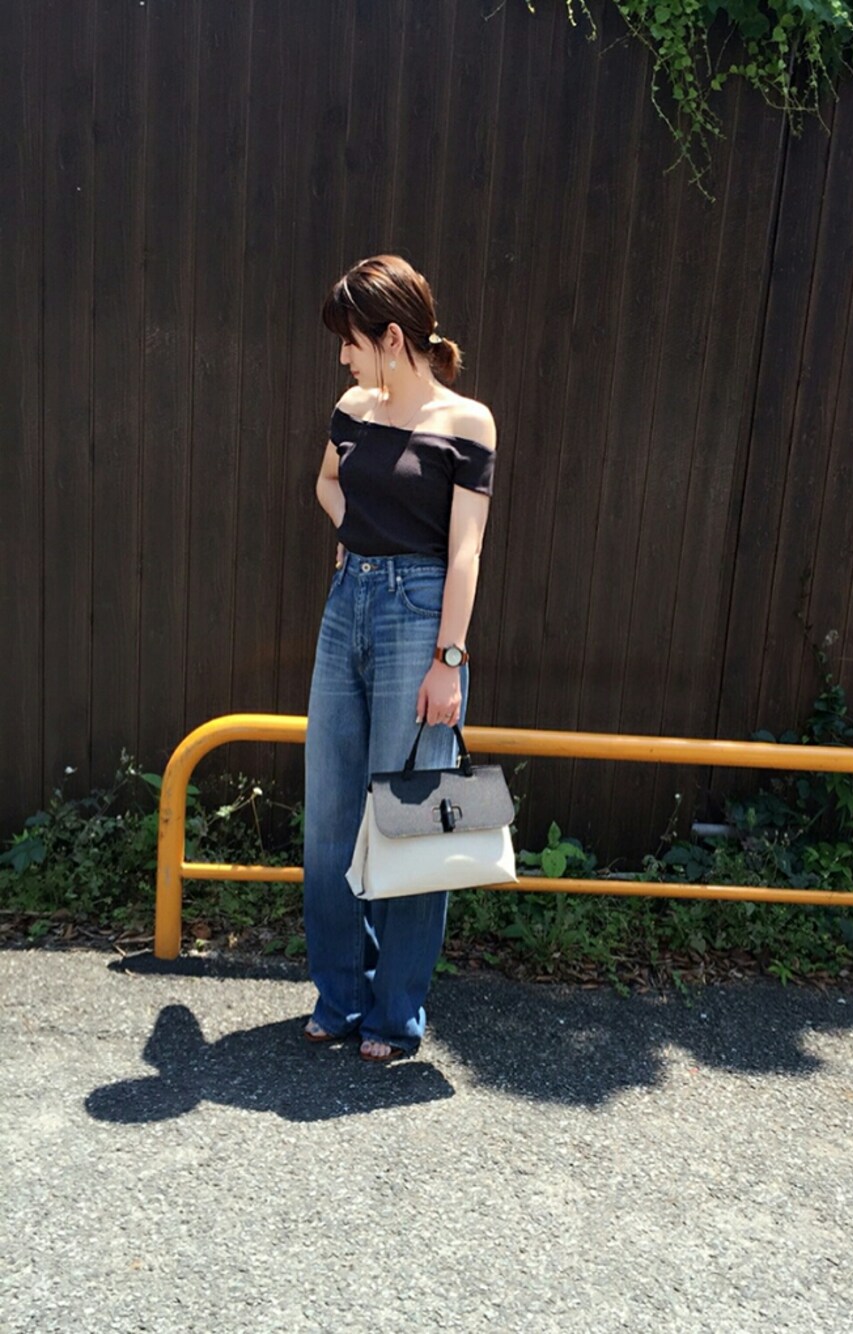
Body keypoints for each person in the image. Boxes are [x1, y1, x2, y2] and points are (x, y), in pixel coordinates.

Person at [302, 254, 497, 1062]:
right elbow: (327, 483)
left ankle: (394, 1014)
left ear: (390, 336)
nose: (343, 357)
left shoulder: (467, 422)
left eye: (350, 340)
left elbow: (466, 549)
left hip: (422, 617)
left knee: (409, 819)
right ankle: (340, 995)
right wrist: (353, 533)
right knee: (328, 818)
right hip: (347, 605)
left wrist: (449, 657)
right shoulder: (353, 407)